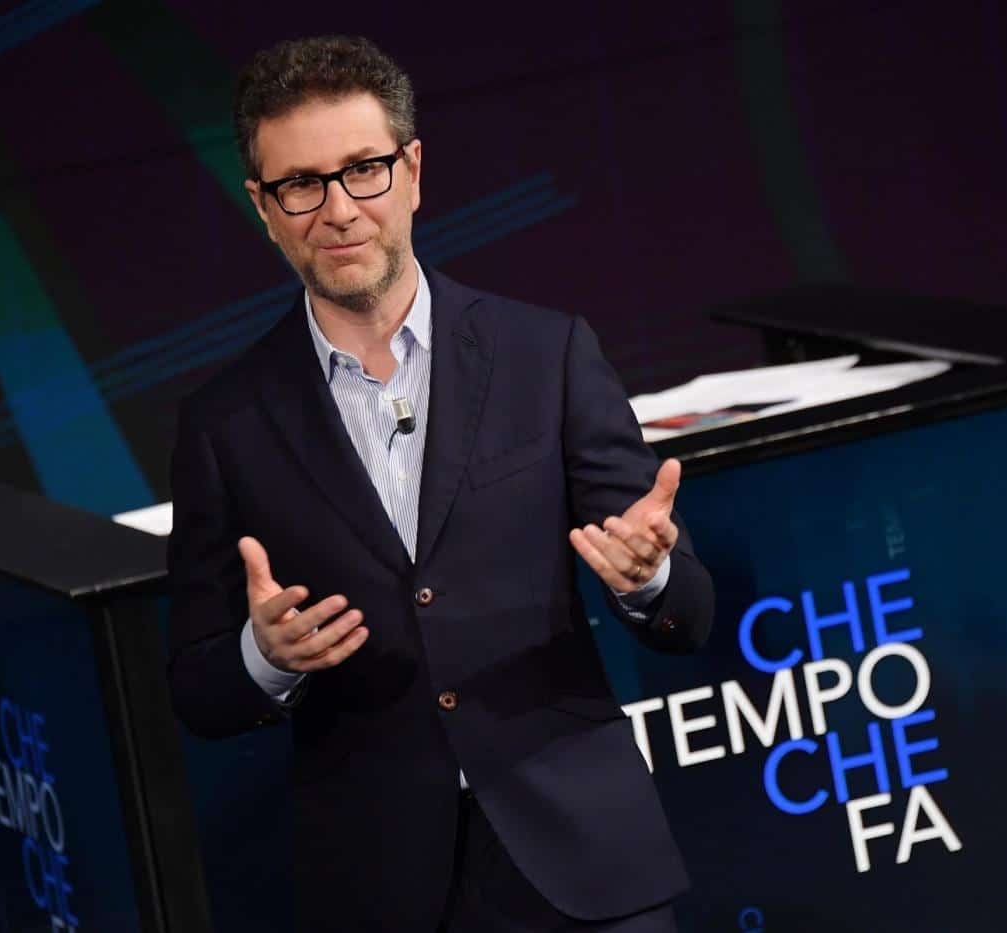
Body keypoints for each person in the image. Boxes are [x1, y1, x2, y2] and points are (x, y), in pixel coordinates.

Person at [167, 35, 715, 932]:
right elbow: (197, 688)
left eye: (364, 169)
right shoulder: (225, 424)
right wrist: (266, 655)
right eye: (301, 184)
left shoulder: (546, 353)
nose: (339, 209)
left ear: (413, 171)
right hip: (380, 885)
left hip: (584, 864)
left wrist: (648, 575)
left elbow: (689, 614)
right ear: (263, 207)